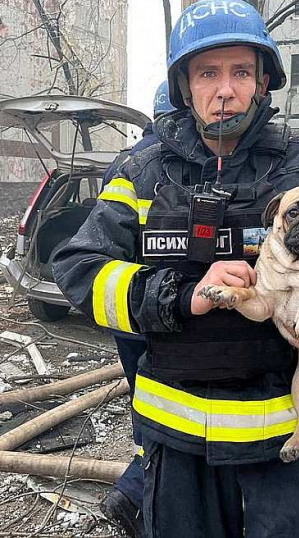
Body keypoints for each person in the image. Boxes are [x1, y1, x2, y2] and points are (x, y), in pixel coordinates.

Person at [54, 0, 299, 538]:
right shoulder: (141, 172)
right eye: (208, 73)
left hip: (288, 446)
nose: (225, 90)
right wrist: (179, 296)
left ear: (263, 81)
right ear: (186, 86)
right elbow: (79, 266)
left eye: (241, 72)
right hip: (177, 443)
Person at [98, 81, 176, 538]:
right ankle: (137, 495)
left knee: (147, 400)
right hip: (164, 312)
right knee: (169, 412)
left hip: (127, 308)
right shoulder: (172, 162)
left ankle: (139, 489)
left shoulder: (124, 161)